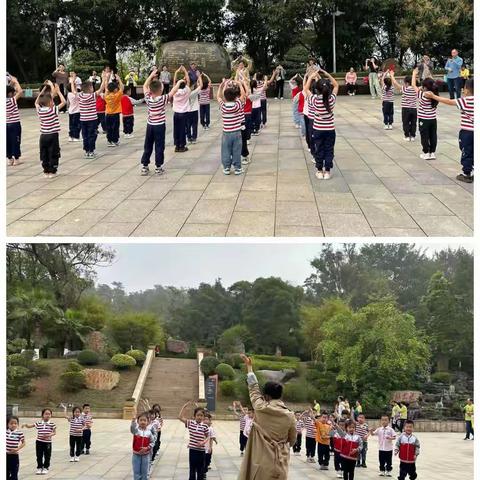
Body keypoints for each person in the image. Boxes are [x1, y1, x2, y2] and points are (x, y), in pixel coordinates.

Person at [238, 354, 296, 480]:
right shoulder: (290, 416)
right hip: (280, 463)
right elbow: (292, 441)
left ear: (267, 396)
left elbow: (253, 389)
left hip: (261, 462)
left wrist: (249, 367)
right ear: (280, 395)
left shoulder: (260, 407)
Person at [424, 79, 474, 183]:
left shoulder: (465, 100)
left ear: (467, 90)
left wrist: (433, 96)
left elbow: (449, 101)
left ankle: (467, 174)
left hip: (467, 133)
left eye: (464, 88)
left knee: (466, 151)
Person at [303, 68, 339, 180]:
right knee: (329, 150)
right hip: (330, 130)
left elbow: (305, 88)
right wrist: (327, 74)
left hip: (317, 129)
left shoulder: (314, 99)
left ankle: (319, 170)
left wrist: (310, 77)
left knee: (318, 149)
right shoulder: (331, 100)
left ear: (317, 89)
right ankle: (327, 171)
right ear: (329, 89)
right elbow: (336, 85)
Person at [140, 67, 173, 176]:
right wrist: (180, 82)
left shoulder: (148, 98)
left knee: (148, 145)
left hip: (150, 126)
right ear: (160, 90)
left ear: (150, 90)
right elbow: (172, 91)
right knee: (159, 146)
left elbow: (145, 85)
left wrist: (151, 75)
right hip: (159, 126)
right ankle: (158, 167)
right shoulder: (162, 99)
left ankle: (145, 166)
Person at [35, 80, 66, 177]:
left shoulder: (40, 110)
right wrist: (59, 91)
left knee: (44, 153)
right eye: (52, 100)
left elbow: (36, 102)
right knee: (53, 152)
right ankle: (52, 171)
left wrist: (44, 89)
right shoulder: (53, 110)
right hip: (53, 135)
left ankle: (46, 170)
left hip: (43, 136)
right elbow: (64, 102)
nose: (53, 101)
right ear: (50, 102)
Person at [217, 78, 246, 176]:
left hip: (226, 132)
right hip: (237, 132)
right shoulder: (237, 105)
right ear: (235, 97)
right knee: (237, 150)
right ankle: (238, 168)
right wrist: (240, 84)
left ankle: (226, 168)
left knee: (225, 150)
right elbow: (243, 95)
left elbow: (218, 96)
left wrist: (222, 86)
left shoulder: (223, 106)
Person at [411, 68, 439, 160]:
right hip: (433, 119)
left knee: (424, 136)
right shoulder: (435, 95)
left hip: (424, 120)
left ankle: (426, 152)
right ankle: (432, 153)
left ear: (425, 87)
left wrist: (414, 74)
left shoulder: (422, 95)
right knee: (433, 135)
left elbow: (413, 85)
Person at [178, 401, 210, 480]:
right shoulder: (191, 423)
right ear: (194, 416)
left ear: (203, 417)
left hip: (201, 451)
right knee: (192, 469)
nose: (199, 417)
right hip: (192, 450)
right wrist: (184, 407)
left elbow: (208, 436)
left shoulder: (205, 426)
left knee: (200, 470)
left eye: (201, 415)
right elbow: (180, 417)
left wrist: (203, 442)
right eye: (198, 415)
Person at [22, 408, 56, 475]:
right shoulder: (39, 423)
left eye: (49, 414)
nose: (48, 415)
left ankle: (46, 467)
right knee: (39, 455)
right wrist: (25, 424)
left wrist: (49, 435)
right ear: (42, 415)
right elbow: (30, 426)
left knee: (47, 455)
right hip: (39, 442)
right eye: (46, 414)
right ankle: (39, 467)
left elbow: (54, 433)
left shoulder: (52, 424)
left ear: (51, 415)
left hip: (47, 443)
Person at [390, 72, 417, 141]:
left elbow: (395, 84)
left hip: (406, 109)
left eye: (404, 82)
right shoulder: (415, 89)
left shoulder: (405, 89)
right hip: (414, 109)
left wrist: (392, 76)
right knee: (413, 123)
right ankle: (413, 136)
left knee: (406, 122)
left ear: (407, 83)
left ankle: (407, 136)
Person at [131, 409, 155, 480]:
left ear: (148, 422)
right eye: (141, 420)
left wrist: (147, 448)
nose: (142, 422)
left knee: (145, 471)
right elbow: (132, 428)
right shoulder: (136, 431)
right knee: (136, 471)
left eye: (144, 420)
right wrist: (133, 419)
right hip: (136, 455)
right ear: (138, 421)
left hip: (146, 455)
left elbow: (152, 442)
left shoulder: (149, 433)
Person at [172, 65, 191, 152]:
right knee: (183, 129)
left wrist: (176, 72)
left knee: (176, 129)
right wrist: (185, 71)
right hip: (184, 113)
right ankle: (182, 146)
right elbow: (188, 81)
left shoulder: (175, 91)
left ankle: (177, 146)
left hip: (176, 113)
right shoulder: (187, 90)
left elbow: (174, 83)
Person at [6, 74, 23, 166]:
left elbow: (9, 90)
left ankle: (9, 159)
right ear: (10, 94)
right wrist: (16, 81)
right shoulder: (11, 100)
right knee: (16, 140)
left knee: (7, 141)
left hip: (6, 124)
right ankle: (16, 158)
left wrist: (11, 84)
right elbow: (20, 92)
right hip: (14, 124)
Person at [7, 415, 25, 480]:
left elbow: (24, 443)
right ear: (7, 424)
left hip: (14, 456)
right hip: (6, 455)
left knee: (14, 474)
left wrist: (17, 449)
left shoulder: (19, 433)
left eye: (15, 423)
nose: (13, 425)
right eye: (11, 423)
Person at [186, 74, 203, 144]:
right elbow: (201, 85)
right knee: (194, 125)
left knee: (188, 125)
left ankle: (189, 137)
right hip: (194, 110)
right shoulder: (194, 92)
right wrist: (199, 76)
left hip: (187, 111)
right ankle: (194, 138)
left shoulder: (185, 92)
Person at [67, 75, 81, 143]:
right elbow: (74, 91)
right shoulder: (75, 94)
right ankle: (76, 136)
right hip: (76, 112)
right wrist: (72, 82)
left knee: (71, 125)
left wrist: (73, 81)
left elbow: (73, 90)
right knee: (77, 125)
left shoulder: (69, 94)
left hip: (71, 111)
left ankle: (70, 136)